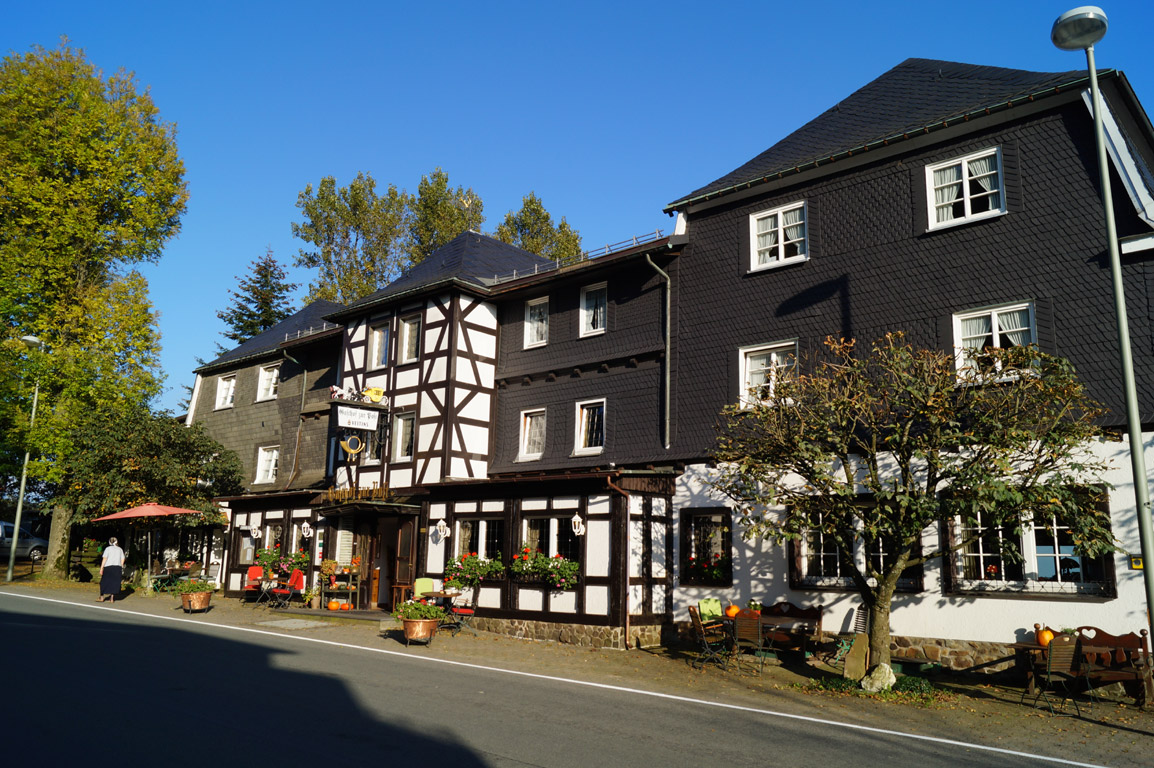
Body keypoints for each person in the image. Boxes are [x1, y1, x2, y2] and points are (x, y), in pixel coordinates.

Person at [99, 537, 126, 602]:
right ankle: (112, 598)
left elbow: (105, 558)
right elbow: (123, 558)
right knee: (114, 582)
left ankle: (102, 597)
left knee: (104, 582)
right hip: (117, 567)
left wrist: (101, 568)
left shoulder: (108, 549)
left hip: (108, 567)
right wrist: (121, 565)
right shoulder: (120, 549)